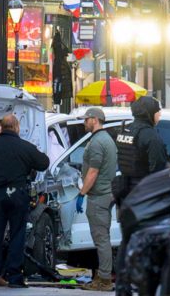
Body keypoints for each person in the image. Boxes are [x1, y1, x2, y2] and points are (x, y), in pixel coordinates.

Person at [0, 114, 49, 288]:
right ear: (16, 127)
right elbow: (44, 163)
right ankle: (14, 277)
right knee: (17, 235)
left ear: (3, 127)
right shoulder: (24, 146)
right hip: (18, 195)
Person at [114, 96, 168, 296]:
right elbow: (159, 171)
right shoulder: (150, 136)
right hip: (144, 196)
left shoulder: (125, 130)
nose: (159, 115)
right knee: (148, 243)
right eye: (158, 111)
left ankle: (123, 287)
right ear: (149, 113)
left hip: (125, 193)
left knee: (127, 241)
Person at [75, 108, 117, 292]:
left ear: (95, 120)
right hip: (105, 194)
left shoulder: (98, 142)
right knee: (103, 237)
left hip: (99, 196)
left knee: (101, 239)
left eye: (86, 120)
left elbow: (93, 171)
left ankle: (105, 279)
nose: (84, 123)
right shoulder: (105, 139)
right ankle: (102, 275)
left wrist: (82, 193)